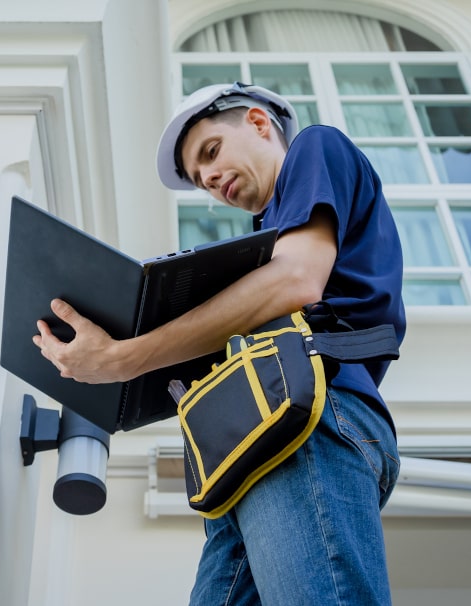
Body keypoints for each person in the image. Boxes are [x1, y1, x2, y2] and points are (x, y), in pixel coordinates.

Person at [33, 82, 405, 605]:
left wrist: (124, 358)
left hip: (309, 422)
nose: (208, 178)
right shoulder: (266, 236)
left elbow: (297, 278)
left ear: (258, 123)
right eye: (199, 178)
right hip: (250, 444)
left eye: (210, 152)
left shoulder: (314, 148)